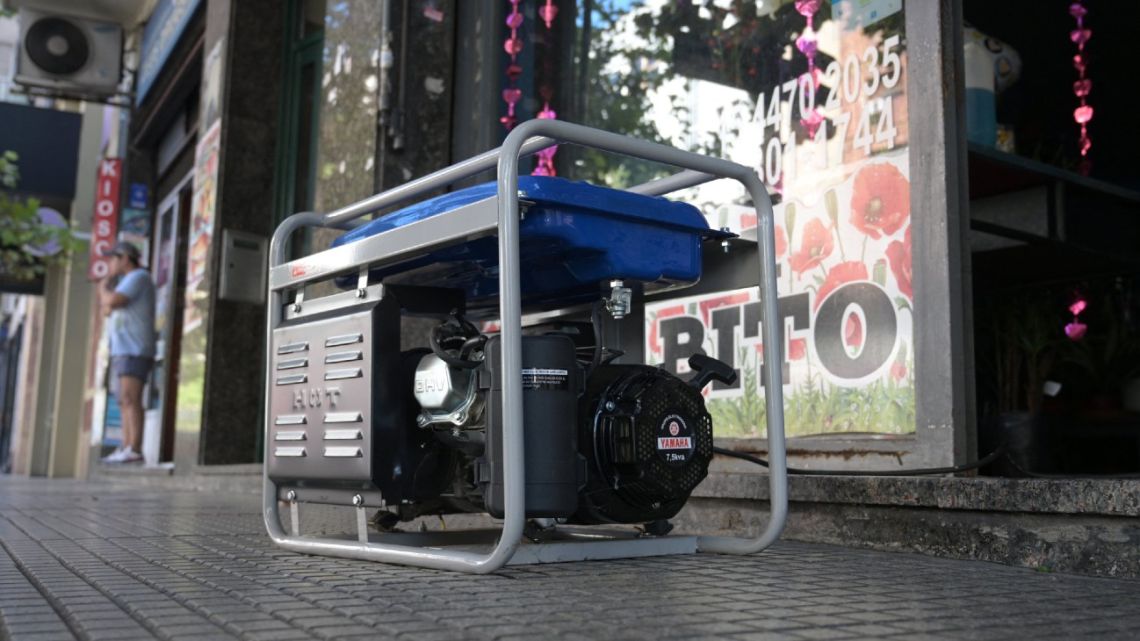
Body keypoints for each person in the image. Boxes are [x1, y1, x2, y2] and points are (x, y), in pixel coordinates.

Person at [99, 241, 156, 464]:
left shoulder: (138, 277)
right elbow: (106, 309)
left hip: (135, 347)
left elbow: (112, 301)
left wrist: (104, 285)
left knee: (131, 398)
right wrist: (108, 297)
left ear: (125, 258)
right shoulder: (126, 281)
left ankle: (134, 448)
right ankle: (126, 446)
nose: (110, 263)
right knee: (124, 399)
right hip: (123, 348)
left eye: (113, 258)